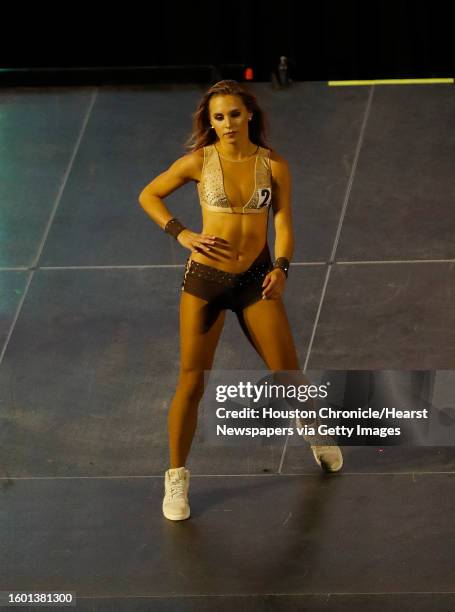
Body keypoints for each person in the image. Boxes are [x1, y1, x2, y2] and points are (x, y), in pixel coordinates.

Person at [138, 80, 343, 522]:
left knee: (289, 373)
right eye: (217, 117)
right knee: (192, 382)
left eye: (233, 114)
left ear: (249, 114)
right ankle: (176, 475)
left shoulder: (274, 166)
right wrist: (182, 233)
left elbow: (284, 223)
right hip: (205, 282)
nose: (226, 124)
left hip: (256, 280)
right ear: (209, 122)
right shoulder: (197, 162)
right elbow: (148, 195)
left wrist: (282, 268)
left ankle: (313, 430)